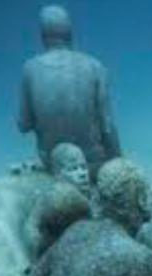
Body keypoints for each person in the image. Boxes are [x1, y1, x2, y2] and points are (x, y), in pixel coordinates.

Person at [17, 5, 122, 173]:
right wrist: (119, 164)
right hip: (91, 165)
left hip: (53, 166)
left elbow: (23, 125)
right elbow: (107, 126)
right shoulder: (95, 66)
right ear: (70, 33)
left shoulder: (30, 69)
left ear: (42, 36)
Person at [22, 142, 94, 258]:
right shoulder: (50, 198)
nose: (82, 174)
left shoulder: (94, 195)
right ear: (58, 174)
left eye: (83, 167)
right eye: (73, 169)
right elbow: (31, 228)